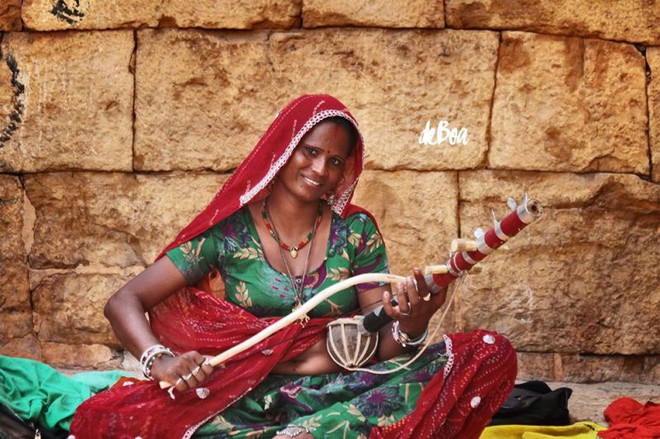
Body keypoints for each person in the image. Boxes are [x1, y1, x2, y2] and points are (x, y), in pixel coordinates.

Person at [66, 94, 517, 438]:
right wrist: (159, 361)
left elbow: (383, 346)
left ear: (344, 173)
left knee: (489, 351)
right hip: (244, 398)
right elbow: (125, 300)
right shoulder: (227, 234)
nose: (320, 168)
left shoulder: (355, 232)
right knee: (116, 421)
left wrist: (416, 319)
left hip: (348, 391)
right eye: (311, 151)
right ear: (283, 150)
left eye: (335, 161)